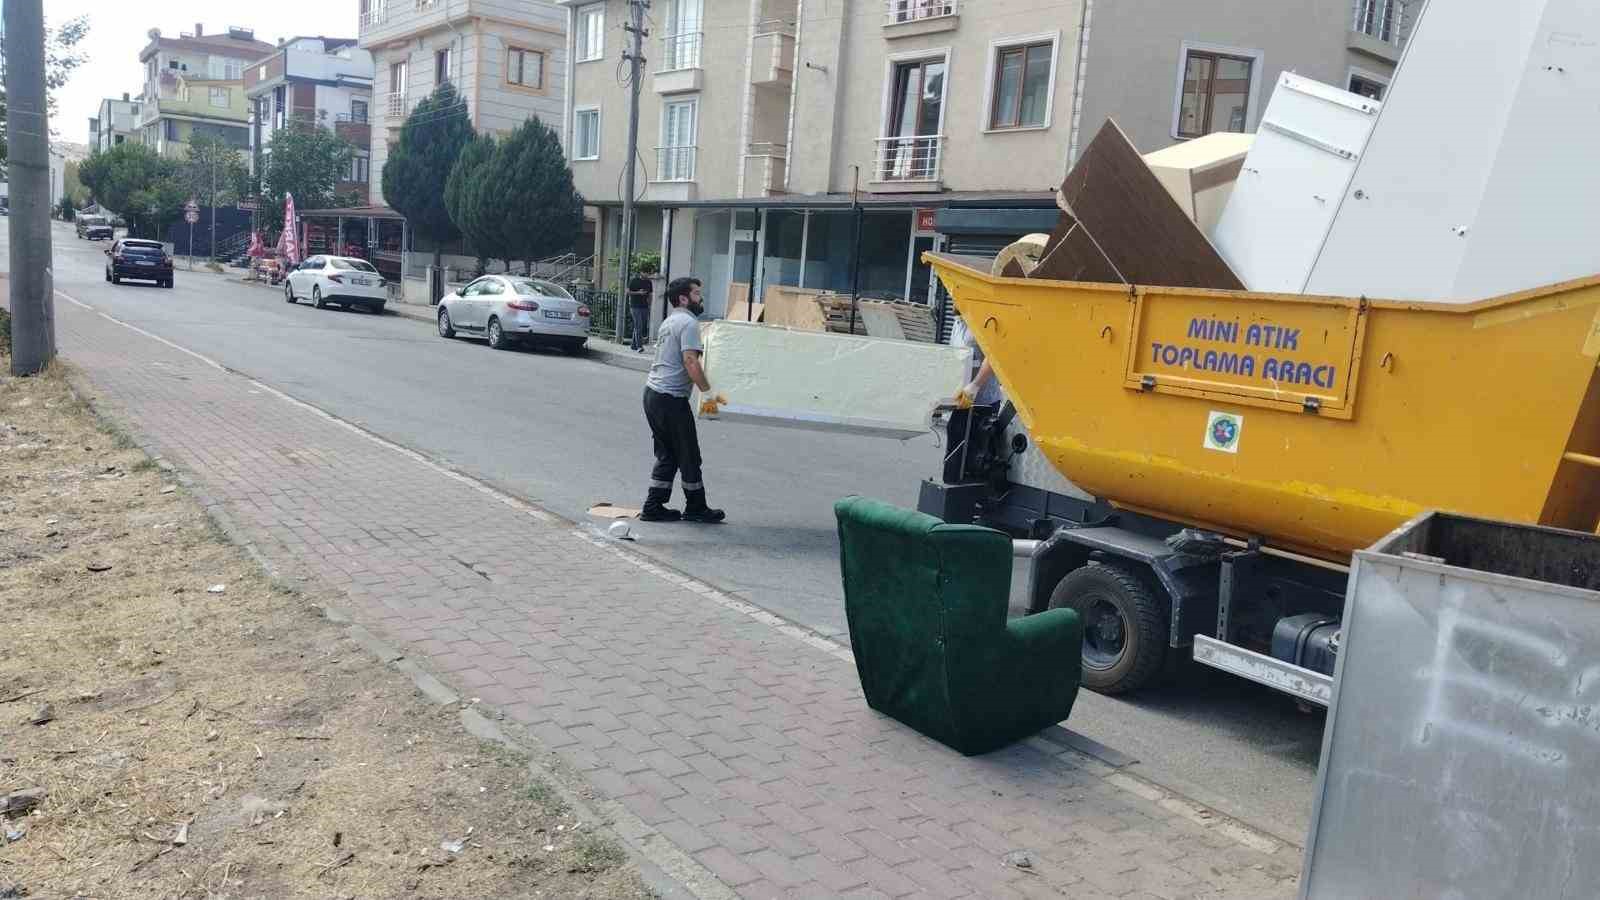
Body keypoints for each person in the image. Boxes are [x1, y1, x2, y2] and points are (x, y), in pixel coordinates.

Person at [641, 277, 726, 523]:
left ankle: (654, 506)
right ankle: (696, 507)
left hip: (653, 394)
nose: (701, 298)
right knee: (688, 454)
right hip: (670, 398)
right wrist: (708, 393)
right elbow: (691, 361)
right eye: (697, 293)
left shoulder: (670, 321)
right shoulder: (688, 323)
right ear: (683, 298)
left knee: (668, 454)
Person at [949, 309, 1003, 409]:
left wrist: (975, 386)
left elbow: (996, 354)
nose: (953, 301)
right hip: (959, 399)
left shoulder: (983, 319)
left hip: (982, 403)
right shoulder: (958, 322)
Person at [627, 262, 657, 353]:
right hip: (634, 306)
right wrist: (638, 293)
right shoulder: (634, 280)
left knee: (639, 326)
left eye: (649, 273)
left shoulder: (649, 282)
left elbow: (651, 294)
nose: (648, 275)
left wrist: (650, 305)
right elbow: (627, 292)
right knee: (638, 325)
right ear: (641, 272)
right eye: (646, 273)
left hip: (644, 306)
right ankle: (640, 346)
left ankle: (633, 345)